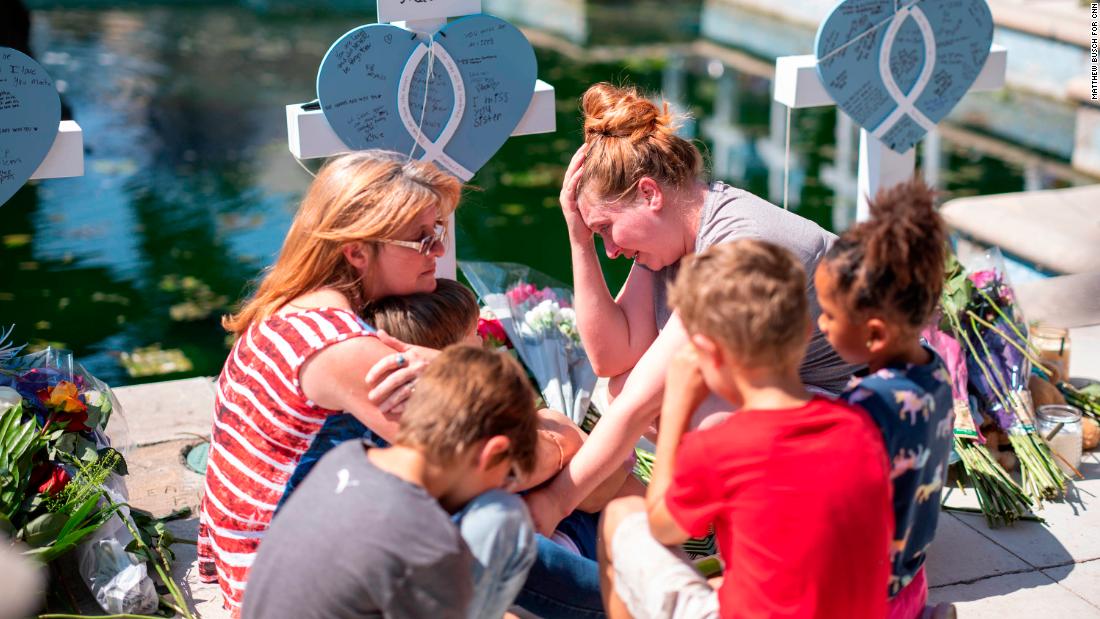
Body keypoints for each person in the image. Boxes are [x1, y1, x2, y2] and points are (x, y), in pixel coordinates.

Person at [524, 82, 860, 541]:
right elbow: (612, 360)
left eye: (606, 229)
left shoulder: (737, 244)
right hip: (813, 412)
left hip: (875, 433)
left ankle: (774, 536)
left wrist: (552, 505)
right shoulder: (670, 238)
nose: (613, 251)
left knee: (695, 415)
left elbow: (642, 403)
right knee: (631, 386)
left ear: (649, 194)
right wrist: (578, 239)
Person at [197, 151, 479, 615]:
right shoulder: (345, 350)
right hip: (292, 594)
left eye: (438, 233)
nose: (439, 251)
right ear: (356, 252)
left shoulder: (287, 309)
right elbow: (476, 467)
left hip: (259, 569)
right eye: (421, 239)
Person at [599, 240, 892, 619]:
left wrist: (675, 410)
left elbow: (663, 526)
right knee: (723, 579)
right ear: (804, 331)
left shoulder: (720, 448)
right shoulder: (861, 428)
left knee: (621, 516)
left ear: (708, 354)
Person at [243, 345, 540, 619]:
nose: (501, 485)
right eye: (507, 475)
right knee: (503, 513)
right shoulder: (428, 545)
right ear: (493, 452)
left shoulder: (345, 458)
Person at [278, 278, 586, 507]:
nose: (482, 342)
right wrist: (565, 436)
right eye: (474, 335)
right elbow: (511, 468)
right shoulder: (440, 421)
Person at [814, 178, 955, 619]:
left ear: (873, 333)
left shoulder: (867, 406)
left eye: (829, 314)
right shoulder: (934, 370)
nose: (820, 325)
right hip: (910, 581)